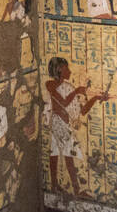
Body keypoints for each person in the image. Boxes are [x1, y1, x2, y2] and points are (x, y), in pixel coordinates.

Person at [45, 57, 105, 198]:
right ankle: (76, 191)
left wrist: (95, 98)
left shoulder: (67, 88)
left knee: (55, 152)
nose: (70, 71)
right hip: (58, 123)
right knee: (68, 154)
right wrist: (77, 90)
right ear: (59, 69)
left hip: (63, 124)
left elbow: (82, 111)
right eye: (66, 68)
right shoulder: (50, 84)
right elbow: (64, 102)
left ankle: (54, 186)